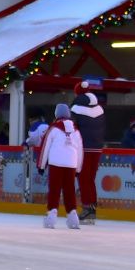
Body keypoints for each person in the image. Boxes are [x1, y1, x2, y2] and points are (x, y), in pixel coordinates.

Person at [38, 103, 83, 228]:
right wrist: (78, 168)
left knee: (54, 190)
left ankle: (51, 217)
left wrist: (41, 165)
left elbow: (45, 147)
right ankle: (73, 217)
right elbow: (80, 150)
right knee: (70, 190)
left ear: (56, 114)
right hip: (71, 164)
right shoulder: (76, 130)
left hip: (56, 163)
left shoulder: (53, 128)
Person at [70, 78, 106, 224]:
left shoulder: (75, 108)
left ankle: (87, 208)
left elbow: (73, 129)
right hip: (97, 148)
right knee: (90, 179)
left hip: (83, 148)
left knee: (83, 178)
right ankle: (91, 208)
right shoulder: (100, 109)